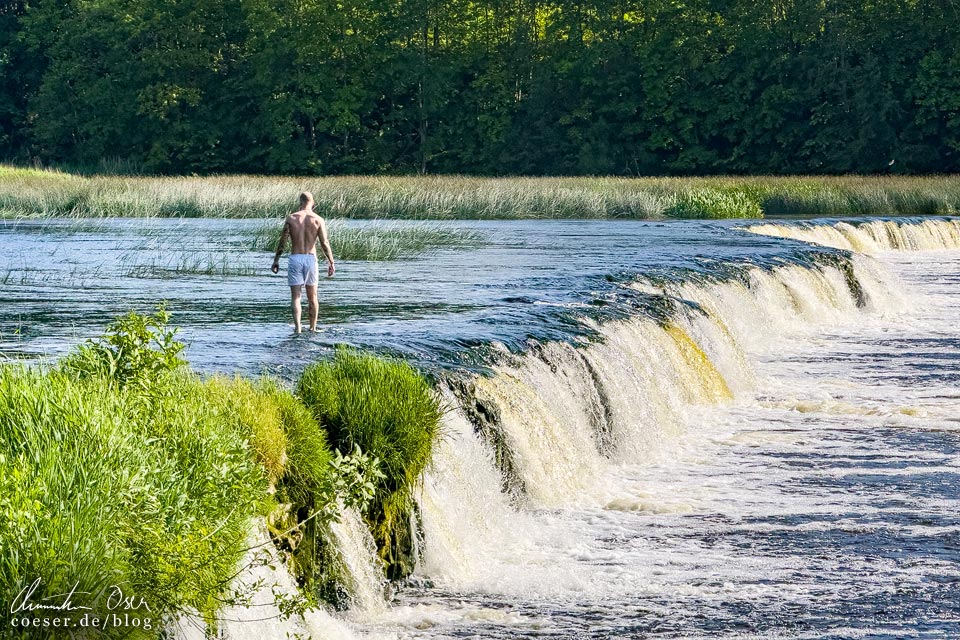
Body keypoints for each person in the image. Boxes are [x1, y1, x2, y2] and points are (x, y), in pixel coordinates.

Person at [271, 191, 335, 333]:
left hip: (295, 258)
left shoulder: (291, 218)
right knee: (313, 297)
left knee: (296, 297)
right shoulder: (318, 219)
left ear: (300, 202)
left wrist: (276, 260)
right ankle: (312, 328)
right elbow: (324, 243)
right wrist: (331, 261)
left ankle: (298, 329)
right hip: (311, 258)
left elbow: (283, 241)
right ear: (313, 203)